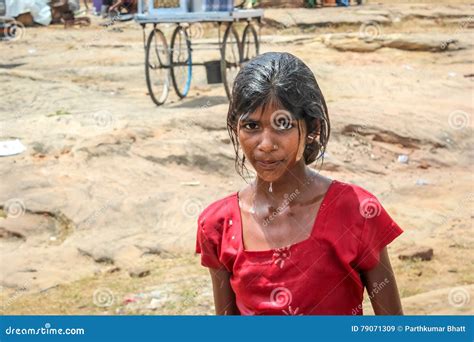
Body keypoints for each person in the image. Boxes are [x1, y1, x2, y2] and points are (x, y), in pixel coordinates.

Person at [195, 52, 404, 315]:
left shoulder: (357, 211)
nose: (266, 144)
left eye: (282, 124)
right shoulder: (219, 225)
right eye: (251, 126)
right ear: (235, 128)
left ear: (312, 128)